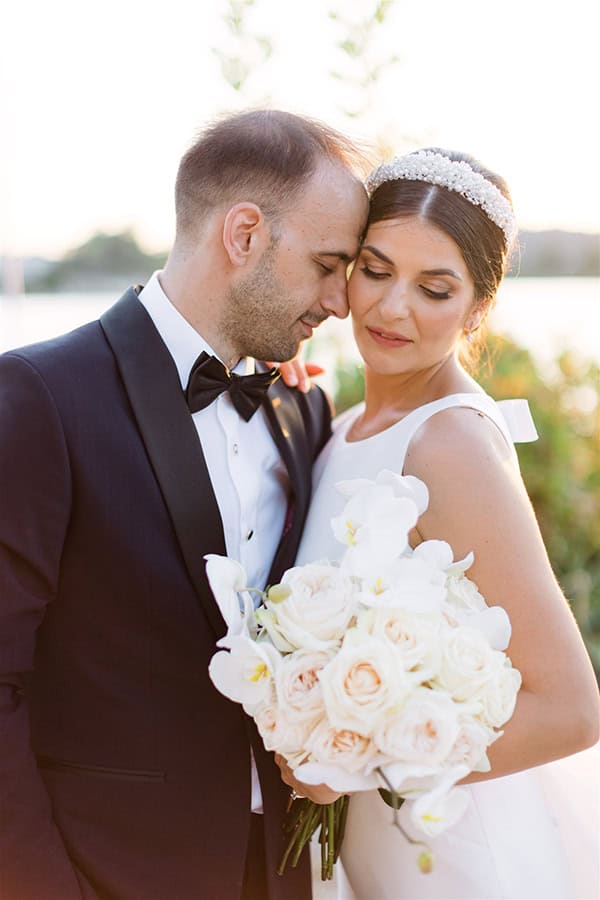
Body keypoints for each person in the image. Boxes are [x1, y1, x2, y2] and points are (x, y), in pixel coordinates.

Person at [0, 109, 368, 900]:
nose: (342, 302)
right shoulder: (40, 397)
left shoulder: (302, 410)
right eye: (327, 264)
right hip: (100, 875)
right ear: (244, 236)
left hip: (273, 870)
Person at [290, 149, 600, 899]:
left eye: (434, 288)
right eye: (375, 268)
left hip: (447, 856)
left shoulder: (449, 443)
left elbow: (570, 709)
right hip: (375, 844)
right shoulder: (350, 422)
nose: (392, 308)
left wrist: (357, 758)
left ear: (478, 308)